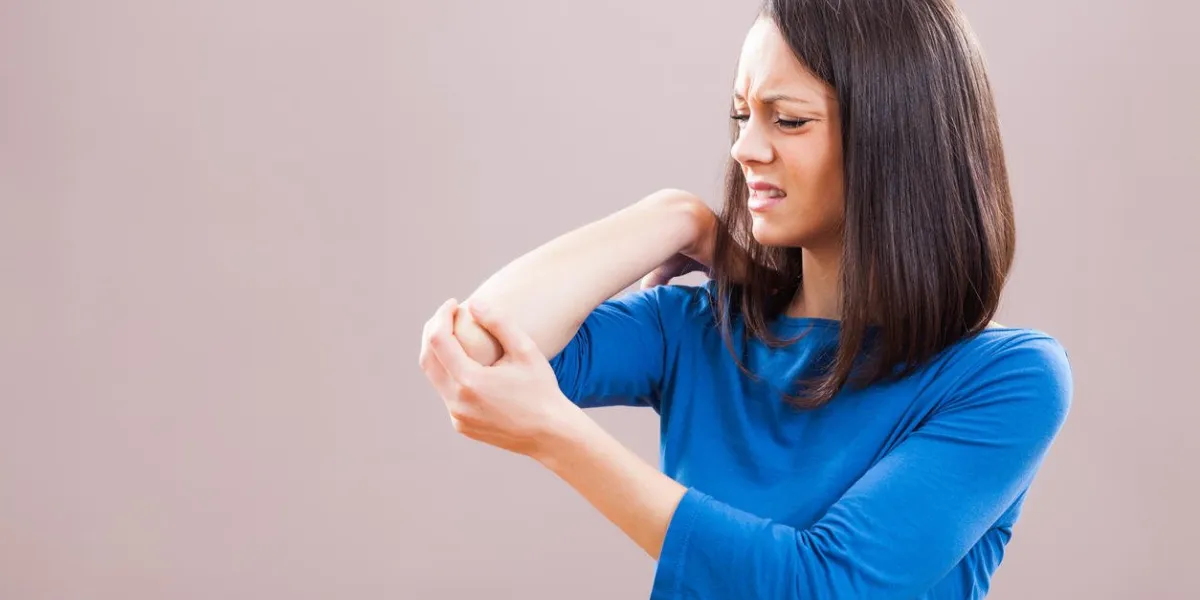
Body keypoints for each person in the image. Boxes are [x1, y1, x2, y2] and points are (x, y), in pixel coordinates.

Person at [417, 0, 1072, 597]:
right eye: (741, 115)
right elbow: (474, 347)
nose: (745, 149)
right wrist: (675, 217)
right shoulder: (700, 328)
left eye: (788, 120)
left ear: (898, 136)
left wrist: (557, 436)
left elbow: (823, 585)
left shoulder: (1004, 378)